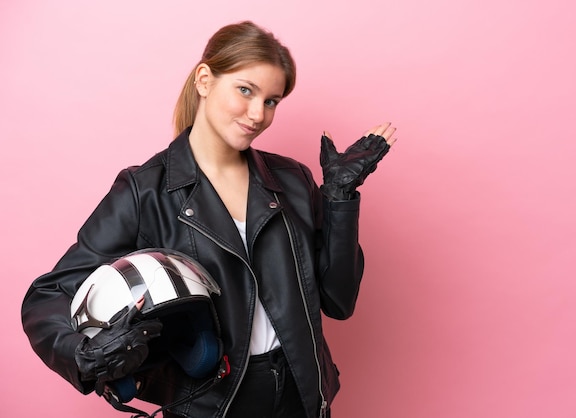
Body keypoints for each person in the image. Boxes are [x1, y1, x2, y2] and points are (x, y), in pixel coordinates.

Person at [21, 20, 396, 418]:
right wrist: (82, 355)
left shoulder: (293, 180)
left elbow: (338, 301)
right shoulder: (144, 190)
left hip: (301, 395)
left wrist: (339, 198)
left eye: (271, 101)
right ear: (204, 80)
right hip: (210, 404)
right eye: (245, 90)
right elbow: (47, 296)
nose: (257, 114)